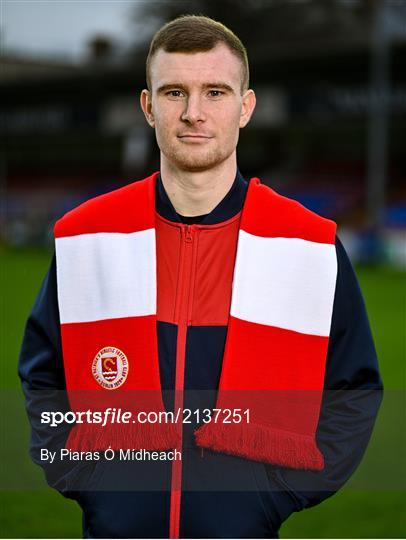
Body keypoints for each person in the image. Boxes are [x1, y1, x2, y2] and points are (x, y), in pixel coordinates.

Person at [19, 15, 383, 539]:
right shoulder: (88, 238)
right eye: (174, 92)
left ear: (246, 107)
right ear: (148, 107)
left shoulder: (308, 244)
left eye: (215, 91)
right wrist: (84, 476)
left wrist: (274, 493)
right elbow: (42, 374)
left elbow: (355, 388)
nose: (193, 113)